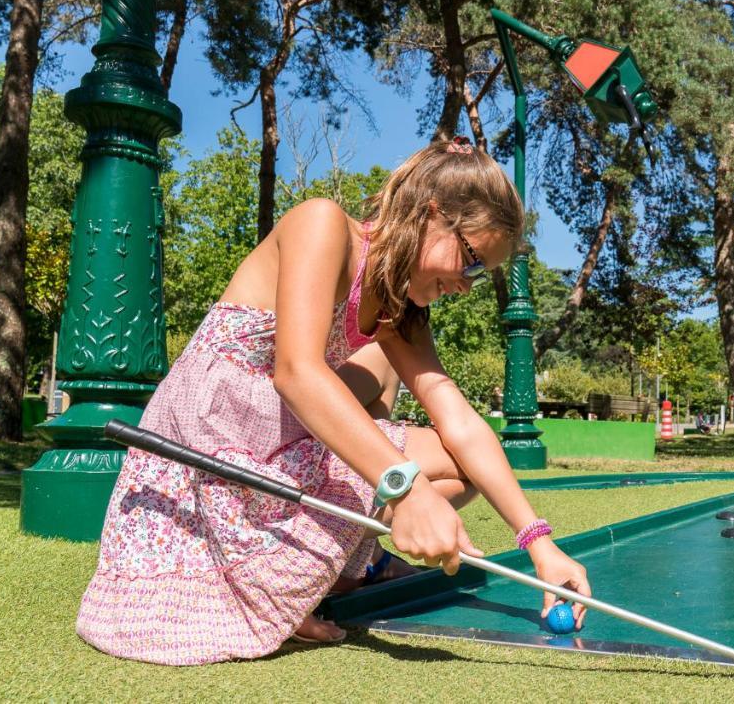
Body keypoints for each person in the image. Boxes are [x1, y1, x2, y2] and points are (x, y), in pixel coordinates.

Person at [76, 138, 591, 665]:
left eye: (479, 276)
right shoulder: (322, 224)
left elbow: (459, 419)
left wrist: (539, 544)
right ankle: (304, 574)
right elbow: (297, 373)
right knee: (410, 470)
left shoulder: (401, 310)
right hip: (212, 426)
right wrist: (404, 487)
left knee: (466, 467)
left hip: (282, 432)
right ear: (432, 214)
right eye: (472, 261)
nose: (466, 284)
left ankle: (340, 569)